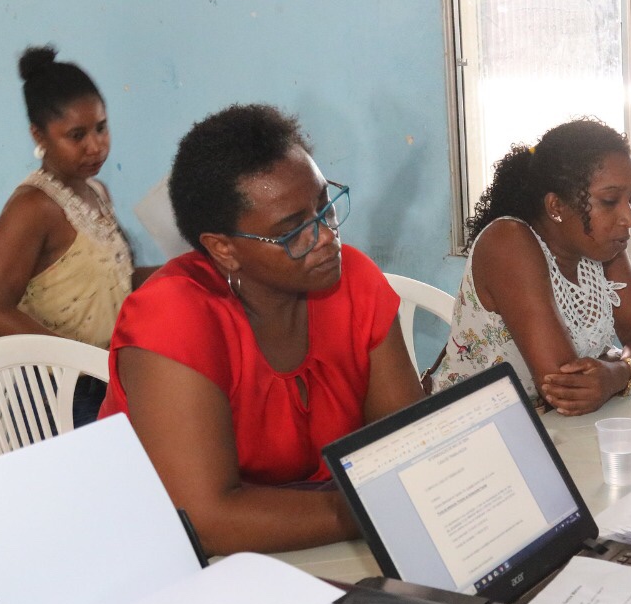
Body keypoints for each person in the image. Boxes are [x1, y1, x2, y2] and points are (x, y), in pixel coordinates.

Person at [99, 104, 424, 555]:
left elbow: (408, 444)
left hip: (317, 544)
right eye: (293, 231)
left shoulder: (354, 282)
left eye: (324, 207)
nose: (327, 237)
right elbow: (207, 519)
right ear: (223, 249)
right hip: (173, 563)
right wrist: (365, 507)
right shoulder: (175, 316)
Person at [426, 118, 631, 416]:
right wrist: (618, 371)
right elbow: (565, 388)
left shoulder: (604, 247)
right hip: (472, 432)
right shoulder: (508, 243)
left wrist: (620, 373)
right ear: (556, 207)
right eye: (609, 200)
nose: (628, 218)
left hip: (554, 429)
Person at [0, 45, 154, 424]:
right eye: (76, 135)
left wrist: (176, 271)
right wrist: (78, 359)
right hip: (53, 390)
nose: (95, 145)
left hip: (100, 376)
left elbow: (108, 282)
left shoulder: (97, 192)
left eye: (101, 128)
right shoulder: (33, 208)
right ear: (38, 134)